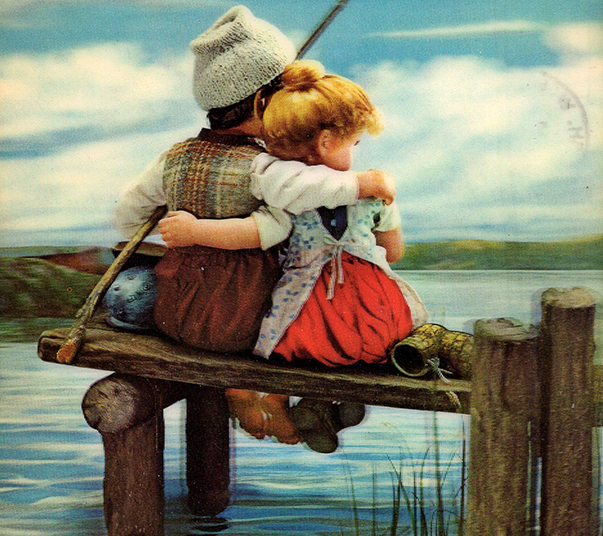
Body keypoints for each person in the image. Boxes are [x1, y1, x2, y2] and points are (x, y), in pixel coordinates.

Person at [113, 6, 397, 444]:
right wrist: (365, 183)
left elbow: (126, 218)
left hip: (177, 314)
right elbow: (305, 188)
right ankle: (272, 396)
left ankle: (271, 401)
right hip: (242, 322)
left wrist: (185, 220)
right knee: (306, 306)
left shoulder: (172, 158)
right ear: (265, 102)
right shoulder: (261, 167)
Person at [158, 60, 428, 447]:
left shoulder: (283, 198)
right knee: (380, 341)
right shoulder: (375, 194)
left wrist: (195, 231)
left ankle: (277, 399)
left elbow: (255, 234)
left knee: (286, 342)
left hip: (302, 321)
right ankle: (319, 405)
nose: (355, 152)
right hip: (370, 323)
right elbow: (395, 252)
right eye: (354, 143)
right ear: (326, 142)